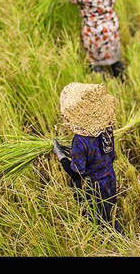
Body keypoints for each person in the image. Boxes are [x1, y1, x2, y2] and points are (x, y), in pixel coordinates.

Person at [52, 82, 121, 232]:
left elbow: (76, 172)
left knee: (97, 219)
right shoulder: (106, 127)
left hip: (93, 186)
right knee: (110, 212)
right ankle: (117, 234)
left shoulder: (80, 140)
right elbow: (110, 154)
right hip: (110, 178)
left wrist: (60, 155)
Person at [57, 0, 124, 79]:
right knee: (113, 53)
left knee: (95, 59)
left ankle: (100, 81)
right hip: (111, 26)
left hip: (94, 31)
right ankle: (121, 78)